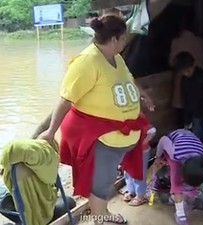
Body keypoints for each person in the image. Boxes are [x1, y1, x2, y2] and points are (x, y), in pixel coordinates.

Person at [38, 15, 154, 225]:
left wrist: (141, 93)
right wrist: (50, 131)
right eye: (124, 37)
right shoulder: (87, 62)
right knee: (101, 182)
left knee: (107, 178)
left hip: (120, 134)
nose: (125, 41)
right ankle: (100, 219)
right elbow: (65, 99)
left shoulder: (116, 57)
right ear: (114, 39)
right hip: (98, 135)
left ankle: (102, 215)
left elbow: (127, 78)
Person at [152, 129, 203, 225]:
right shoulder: (175, 153)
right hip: (173, 142)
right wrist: (158, 157)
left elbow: (195, 180)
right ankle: (180, 213)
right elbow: (163, 140)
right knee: (176, 181)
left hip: (190, 152)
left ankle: (180, 200)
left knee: (191, 184)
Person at [171, 51, 203, 153]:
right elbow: (186, 100)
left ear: (194, 65)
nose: (186, 74)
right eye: (184, 72)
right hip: (196, 115)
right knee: (196, 139)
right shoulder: (185, 80)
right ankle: (197, 160)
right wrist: (187, 119)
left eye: (188, 71)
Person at [123, 118, 157, 206]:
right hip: (128, 151)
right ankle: (132, 191)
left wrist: (143, 143)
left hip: (141, 152)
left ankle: (140, 195)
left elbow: (152, 130)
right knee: (127, 170)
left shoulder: (137, 118)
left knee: (139, 173)